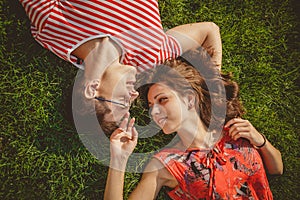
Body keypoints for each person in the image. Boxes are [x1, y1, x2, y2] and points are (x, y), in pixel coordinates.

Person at [19, 0, 222, 133]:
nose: (134, 95)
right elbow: (208, 30)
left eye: (122, 102)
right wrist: (215, 97)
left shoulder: (54, 27)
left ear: (92, 88)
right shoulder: (148, 60)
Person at [104, 52, 283, 199]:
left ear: (189, 99)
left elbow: (277, 169)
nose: (154, 112)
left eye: (162, 100)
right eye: (151, 106)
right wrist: (118, 159)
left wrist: (261, 141)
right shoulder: (166, 165)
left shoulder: (234, 131)